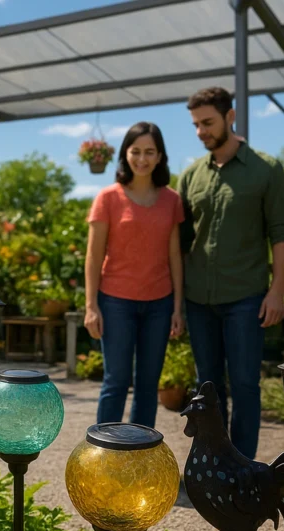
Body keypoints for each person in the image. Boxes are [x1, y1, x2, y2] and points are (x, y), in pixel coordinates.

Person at [177, 86, 284, 460]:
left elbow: (282, 234)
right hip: (198, 299)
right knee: (206, 386)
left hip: (246, 296)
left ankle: (243, 468)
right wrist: (178, 303)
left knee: (244, 385)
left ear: (231, 117)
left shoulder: (266, 169)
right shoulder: (191, 175)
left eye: (207, 122)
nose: (201, 132)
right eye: (196, 125)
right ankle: (213, 462)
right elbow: (179, 244)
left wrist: (277, 292)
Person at [83, 122, 185, 429]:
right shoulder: (108, 198)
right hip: (115, 303)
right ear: (125, 154)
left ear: (159, 156)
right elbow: (93, 255)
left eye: (149, 152)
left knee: (147, 384)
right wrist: (91, 306)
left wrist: (178, 307)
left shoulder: (171, 199)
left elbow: (175, 256)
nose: (142, 159)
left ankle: (140, 455)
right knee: (116, 381)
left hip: (159, 304)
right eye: (136, 151)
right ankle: (103, 456)